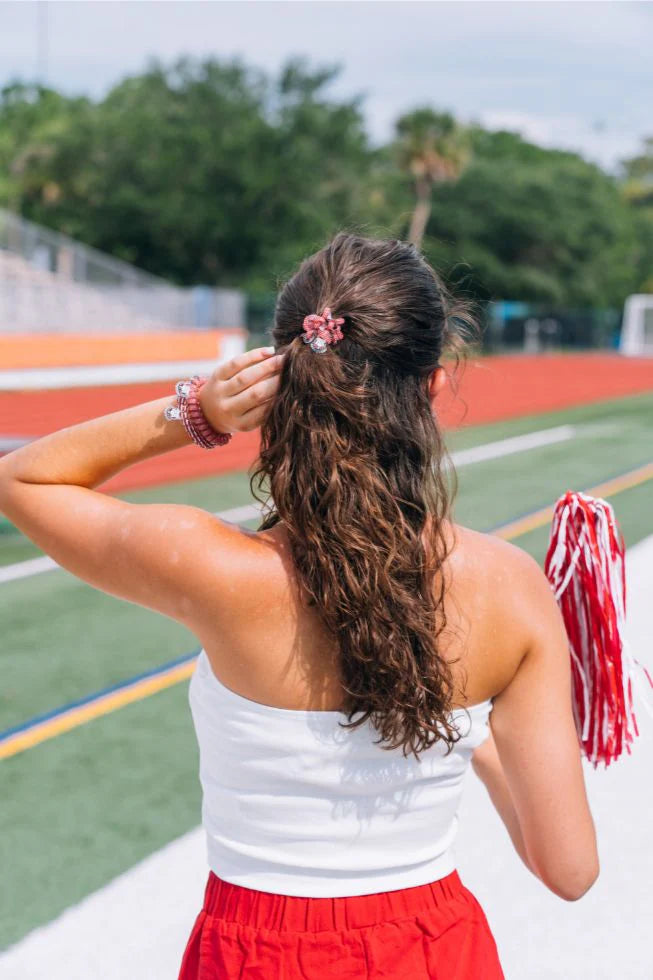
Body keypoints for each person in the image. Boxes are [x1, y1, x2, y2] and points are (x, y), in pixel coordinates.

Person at [0, 234, 599, 979]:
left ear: (278, 378)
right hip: (434, 952)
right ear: (433, 386)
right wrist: (471, 747)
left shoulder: (215, 568)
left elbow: (23, 481)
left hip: (257, 952)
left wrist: (196, 411)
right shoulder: (511, 586)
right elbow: (568, 870)